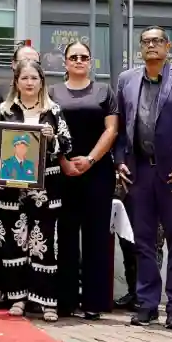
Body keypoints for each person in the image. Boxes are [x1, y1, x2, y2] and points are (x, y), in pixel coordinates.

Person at [114, 27, 172, 329]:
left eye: (157, 41)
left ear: (168, 45)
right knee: (143, 241)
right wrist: (120, 161)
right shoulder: (127, 80)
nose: (151, 46)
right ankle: (147, 304)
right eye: (146, 42)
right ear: (141, 48)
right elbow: (120, 127)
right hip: (139, 172)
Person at [0, 58, 73, 322]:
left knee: (45, 243)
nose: (29, 83)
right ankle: (17, 299)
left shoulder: (54, 111)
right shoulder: (5, 110)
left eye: (34, 78)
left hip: (46, 188)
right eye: (24, 78)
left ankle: (46, 301)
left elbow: (68, 145)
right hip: (10, 190)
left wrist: (52, 139)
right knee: (13, 244)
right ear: (16, 82)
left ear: (42, 82)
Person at [50, 40, 118, 319]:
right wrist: (64, 161)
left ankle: (94, 302)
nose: (79, 61)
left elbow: (112, 130)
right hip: (63, 171)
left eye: (84, 57)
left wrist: (90, 159)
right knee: (65, 236)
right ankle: (65, 300)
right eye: (73, 57)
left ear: (91, 62)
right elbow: (48, 129)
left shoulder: (104, 91)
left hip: (98, 172)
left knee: (96, 237)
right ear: (65, 63)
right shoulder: (52, 92)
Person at [0, 42, 40, 310]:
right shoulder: (1, 101)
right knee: (7, 240)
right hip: (7, 187)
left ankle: (34, 295)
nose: (29, 72)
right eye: (24, 63)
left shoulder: (49, 104)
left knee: (37, 241)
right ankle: (8, 292)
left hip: (39, 189)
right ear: (14, 67)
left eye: (35, 64)